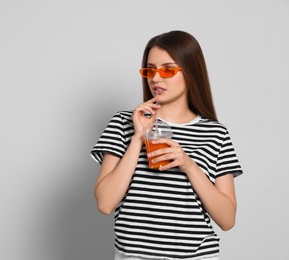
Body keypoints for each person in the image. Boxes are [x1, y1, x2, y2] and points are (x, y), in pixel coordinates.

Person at [90, 30, 243, 260]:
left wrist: (189, 165)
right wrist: (137, 138)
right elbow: (105, 203)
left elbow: (227, 219)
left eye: (168, 69)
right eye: (150, 70)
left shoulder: (216, 133)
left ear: (190, 72)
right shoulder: (123, 123)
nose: (156, 78)